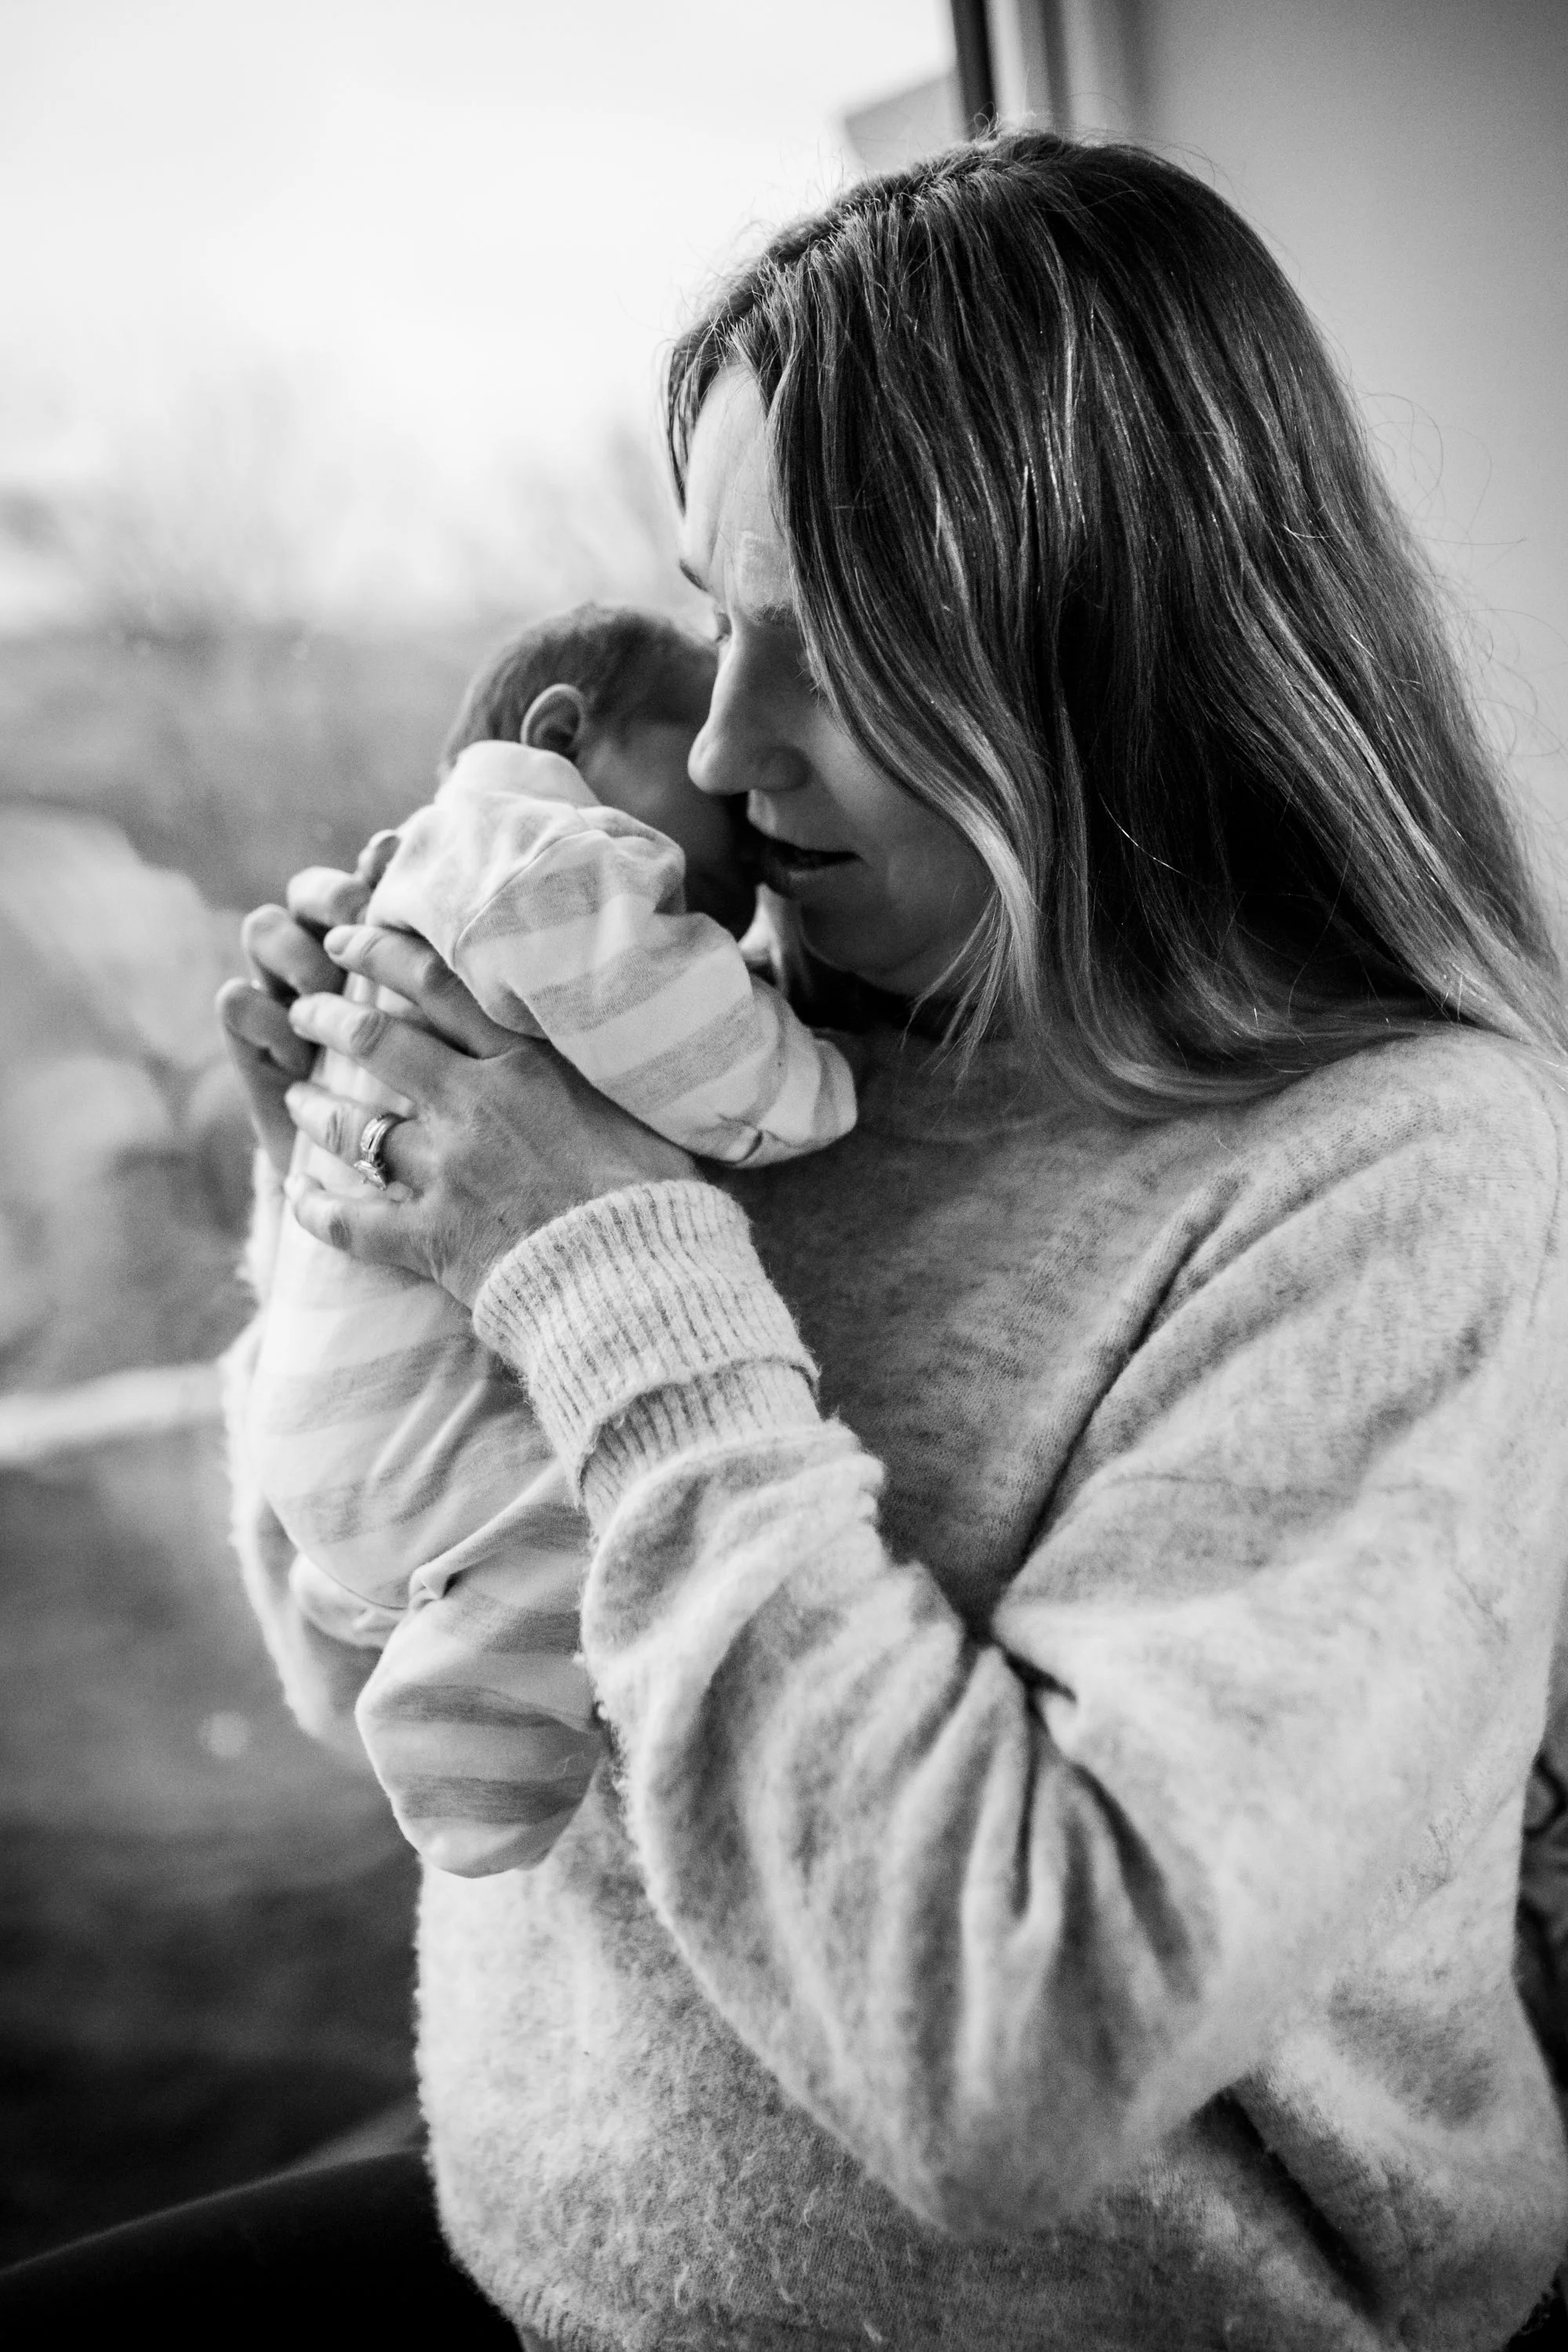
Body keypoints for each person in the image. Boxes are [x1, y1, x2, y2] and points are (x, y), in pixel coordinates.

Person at [5, 129, 1567, 2352]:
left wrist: (603, 1272)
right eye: (722, 620)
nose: (731, 750)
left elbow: (1023, 2060)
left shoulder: (1397, 1176)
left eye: (832, 649)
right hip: (549, 2273)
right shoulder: (700, 1043)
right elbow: (402, 1702)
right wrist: (351, 1227)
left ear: (1111, 655)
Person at [245, 603, 855, 1874]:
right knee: (596, 1510)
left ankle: (436, 1654)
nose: (731, 773)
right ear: (562, 735)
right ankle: (462, 1726)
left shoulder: (447, 867)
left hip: (349, 1443)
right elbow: (706, 1061)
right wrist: (804, 1078)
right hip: (405, 1455)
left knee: (564, 1519)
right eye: (700, 720)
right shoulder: (536, 850)